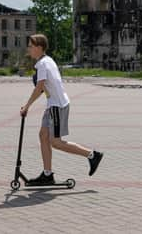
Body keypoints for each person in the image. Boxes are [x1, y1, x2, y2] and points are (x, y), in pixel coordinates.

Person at [20, 34, 103, 185]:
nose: (29, 49)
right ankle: (47, 174)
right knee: (43, 135)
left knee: (56, 142)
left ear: (39, 48)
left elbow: (40, 86)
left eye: (31, 46)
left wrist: (27, 106)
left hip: (57, 106)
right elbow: (43, 89)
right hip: (53, 105)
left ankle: (92, 155)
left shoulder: (43, 64)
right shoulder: (47, 61)